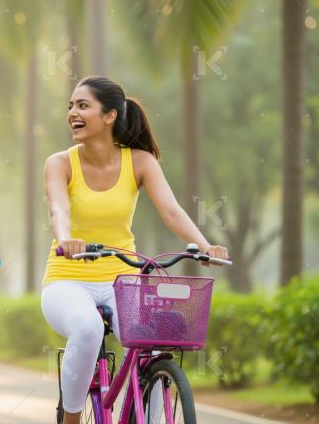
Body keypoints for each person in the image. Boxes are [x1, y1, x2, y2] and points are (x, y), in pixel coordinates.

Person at [42, 76, 230, 423]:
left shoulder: (140, 162)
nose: (72, 113)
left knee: (158, 338)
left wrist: (205, 247)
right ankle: (70, 418)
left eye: (82, 105)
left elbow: (172, 211)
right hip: (67, 278)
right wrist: (66, 238)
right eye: (70, 106)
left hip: (123, 280)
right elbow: (59, 208)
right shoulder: (60, 162)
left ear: (110, 115)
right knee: (87, 328)